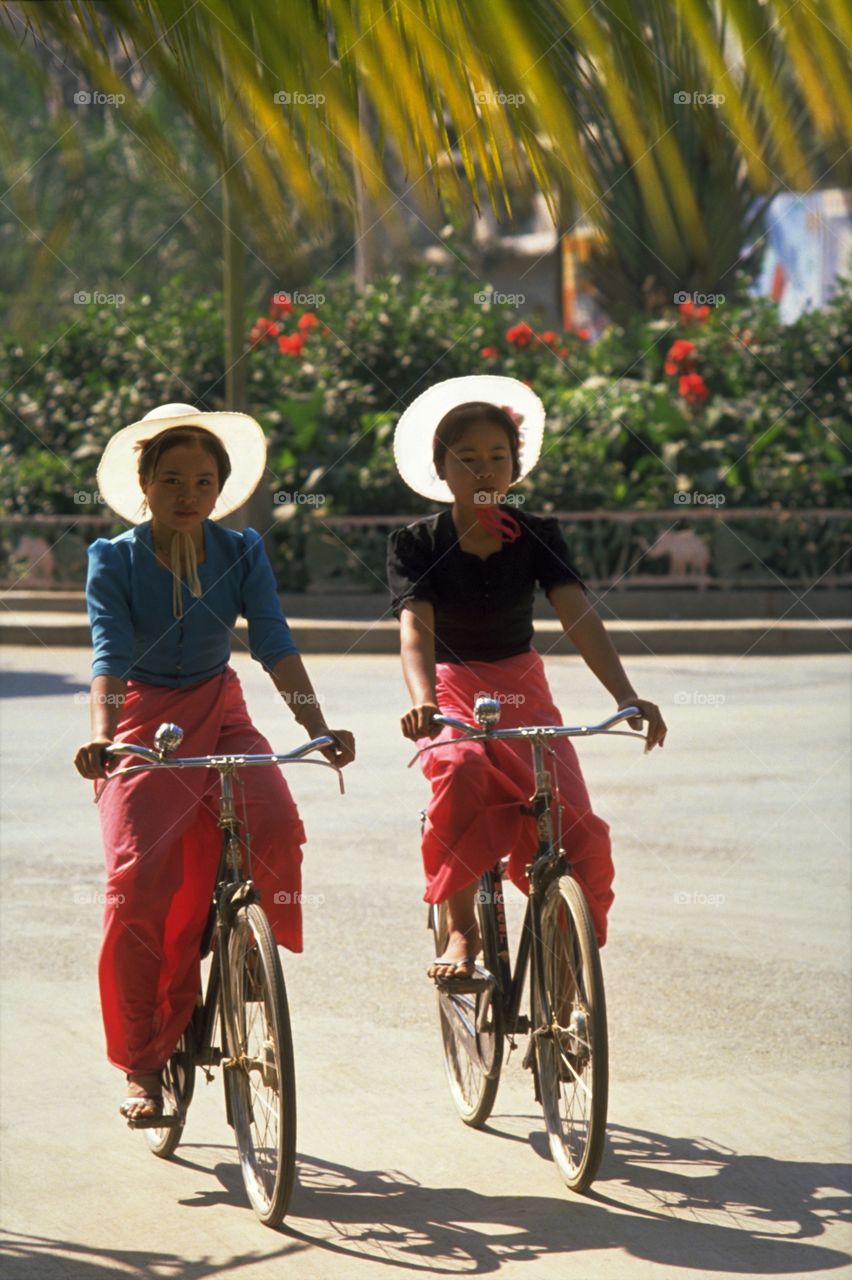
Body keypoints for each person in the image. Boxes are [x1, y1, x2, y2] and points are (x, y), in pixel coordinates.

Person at [74, 402, 355, 1125]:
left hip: (219, 703)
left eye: (203, 480)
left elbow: (273, 641)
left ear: (220, 488)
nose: (188, 493)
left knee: (275, 818)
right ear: (144, 482)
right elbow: (108, 655)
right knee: (138, 882)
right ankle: (139, 1064)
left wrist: (318, 727)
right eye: (171, 479)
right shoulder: (113, 557)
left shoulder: (243, 551)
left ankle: (237, 948)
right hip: (140, 713)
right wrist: (103, 735)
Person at [386, 375, 666, 980]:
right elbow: (415, 631)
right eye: (468, 458)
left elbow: (579, 617)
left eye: (497, 457)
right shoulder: (416, 543)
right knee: (459, 772)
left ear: (514, 466)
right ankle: (462, 929)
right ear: (442, 468)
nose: (485, 470)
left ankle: (566, 975)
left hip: (523, 687)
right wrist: (423, 702)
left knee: (573, 826)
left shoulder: (539, 534)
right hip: (451, 688)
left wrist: (625, 695)